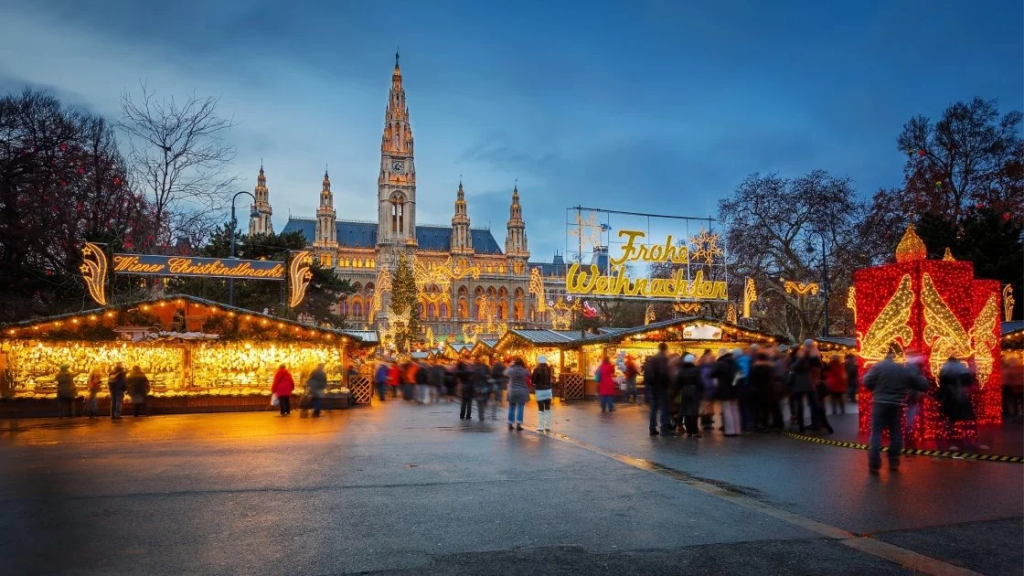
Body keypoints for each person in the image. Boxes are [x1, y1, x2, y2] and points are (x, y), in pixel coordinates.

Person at [863, 349, 929, 473]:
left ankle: (874, 464)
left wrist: (876, 390)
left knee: (876, 433)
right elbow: (921, 384)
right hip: (896, 404)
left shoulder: (878, 366)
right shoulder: (901, 369)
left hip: (879, 403)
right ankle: (893, 461)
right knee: (895, 432)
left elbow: (866, 381)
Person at [937, 356, 977, 452]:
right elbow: (969, 380)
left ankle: (952, 440)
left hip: (950, 398)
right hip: (962, 397)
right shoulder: (962, 367)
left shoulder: (945, 368)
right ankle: (967, 439)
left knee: (950, 419)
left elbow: (942, 383)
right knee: (966, 418)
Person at [645, 343, 673, 436]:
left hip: (652, 386)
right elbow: (665, 372)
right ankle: (664, 429)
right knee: (664, 407)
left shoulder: (653, 358)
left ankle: (652, 428)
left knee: (653, 407)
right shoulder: (664, 358)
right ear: (665, 348)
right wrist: (669, 382)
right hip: (662, 386)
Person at [712, 349, 741, 436]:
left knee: (727, 409)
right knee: (735, 409)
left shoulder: (721, 363)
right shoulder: (735, 363)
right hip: (735, 389)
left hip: (725, 389)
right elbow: (739, 375)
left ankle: (730, 431)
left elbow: (713, 373)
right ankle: (737, 430)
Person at [750, 352, 781, 430]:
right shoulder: (770, 367)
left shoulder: (755, 367)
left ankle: (759, 424)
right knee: (766, 409)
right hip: (768, 390)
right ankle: (766, 424)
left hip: (758, 390)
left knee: (758, 408)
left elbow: (752, 379)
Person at [675, 354, 704, 437]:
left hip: (685, 391)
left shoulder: (681, 370)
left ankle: (688, 431)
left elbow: (678, 382)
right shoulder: (696, 370)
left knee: (686, 411)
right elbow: (700, 382)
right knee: (694, 411)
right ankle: (694, 431)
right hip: (695, 391)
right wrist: (702, 391)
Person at [506, 358, 531, 431]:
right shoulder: (525, 371)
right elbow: (529, 374)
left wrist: (510, 366)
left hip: (512, 391)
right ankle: (518, 425)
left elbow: (505, 373)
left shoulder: (511, 370)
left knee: (511, 407)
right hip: (522, 391)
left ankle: (510, 424)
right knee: (520, 407)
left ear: (515, 364)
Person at [533, 355, 554, 432]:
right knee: (548, 408)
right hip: (548, 390)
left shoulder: (536, 369)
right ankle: (548, 426)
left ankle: (541, 426)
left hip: (540, 391)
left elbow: (533, 381)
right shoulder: (549, 369)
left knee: (541, 409)